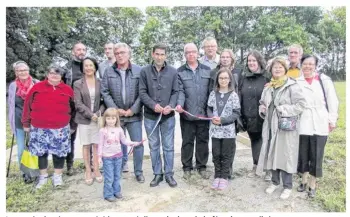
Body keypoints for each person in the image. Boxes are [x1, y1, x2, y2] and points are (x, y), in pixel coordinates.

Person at [256, 57, 306, 200]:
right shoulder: (269, 87)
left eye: (280, 67)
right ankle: (274, 181)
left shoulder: (292, 86)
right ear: (270, 70)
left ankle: (288, 186)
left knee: (285, 155)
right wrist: (263, 109)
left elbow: (301, 105)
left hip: (285, 127)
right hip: (270, 126)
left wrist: (283, 109)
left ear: (285, 69)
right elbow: (261, 102)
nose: (277, 69)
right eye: (274, 67)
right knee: (272, 153)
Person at [22, 66, 75, 189]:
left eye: (58, 74)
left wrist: (72, 125)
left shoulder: (68, 90)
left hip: (60, 127)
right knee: (41, 153)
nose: (54, 76)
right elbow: (27, 106)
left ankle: (57, 177)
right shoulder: (37, 87)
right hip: (39, 127)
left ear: (61, 76)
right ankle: (43, 177)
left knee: (59, 153)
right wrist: (26, 123)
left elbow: (74, 109)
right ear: (48, 74)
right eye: (52, 73)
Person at [296, 54, 339, 198]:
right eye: (305, 64)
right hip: (303, 121)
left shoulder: (323, 80)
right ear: (301, 65)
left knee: (316, 154)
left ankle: (312, 184)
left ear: (315, 66)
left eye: (311, 64)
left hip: (320, 120)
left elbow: (332, 100)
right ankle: (303, 180)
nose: (308, 66)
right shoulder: (297, 81)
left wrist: (332, 120)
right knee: (303, 153)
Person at [101, 42, 144, 182]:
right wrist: (115, 110)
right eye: (117, 53)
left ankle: (138, 172)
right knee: (117, 144)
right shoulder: (108, 71)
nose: (119, 55)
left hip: (134, 115)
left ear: (128, 54)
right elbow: (105, 92)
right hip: (116, 117)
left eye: (122, 53)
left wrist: (133, 109)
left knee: (137, 143)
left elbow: (142, 92)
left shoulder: (139, 70)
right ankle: (118, 171)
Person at [139, 43, 178, 187]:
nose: (159, 57)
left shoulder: (173, 72)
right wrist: (153, 105)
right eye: (157, 54)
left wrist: (171, 106)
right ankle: (157, 174)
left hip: (168, 117)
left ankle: (169, 174)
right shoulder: (144, 72)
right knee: (154, 146)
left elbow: (176, 92)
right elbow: (142, 92)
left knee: (168, 146)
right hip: (150, 116)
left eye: (162, 54)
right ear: (152, 54)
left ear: (166, 56)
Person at [176, 43, 211, 180]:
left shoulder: (207, 70)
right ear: (185, 55)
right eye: (188, 52)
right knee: (187, 141)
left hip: (203, 115)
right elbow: (180, 91)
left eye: (193, 52)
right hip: (187, 114)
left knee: (203, 141)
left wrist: (211, 111)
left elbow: (210, 92)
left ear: (198, 53)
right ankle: (187, 167)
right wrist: (179, 105)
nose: (191, 54)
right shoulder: (179, 71)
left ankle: (202, 166)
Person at [238, 50, 271, 180]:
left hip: (264, 116)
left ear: (259, 62)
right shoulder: (244, 77)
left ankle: (269, 169)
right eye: (249, 61)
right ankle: (256, 165)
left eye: (254, 60)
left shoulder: (267, 77)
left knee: (267, 142)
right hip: (249, 115)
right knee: (254, 141)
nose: (251, 63)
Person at [207, 68, 241, 190]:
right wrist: (212, 117)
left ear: (230, 80)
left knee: (226, 154)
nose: (223, 80)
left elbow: (236, 113)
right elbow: (209, 109)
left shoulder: (233, 95)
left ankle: (224, 177)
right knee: (216, 154)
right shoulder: (213, 94)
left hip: (228, 131)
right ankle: (217, 175)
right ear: (217, 79)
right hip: (215, 131)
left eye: (226, 78)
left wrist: (223, 120)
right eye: (221, 78)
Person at [74, 57, 105, 185]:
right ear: (83, 68)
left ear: (95, 67)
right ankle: (88, 170)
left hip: (98, 119)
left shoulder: (101, 82)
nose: (88, 68)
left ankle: (96, 169)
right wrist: (90, 114)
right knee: (86, 145)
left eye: (91, 65)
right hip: (84, 120)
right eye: (86, 66)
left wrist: (99, 113)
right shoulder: (77, 83)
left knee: (97, 145)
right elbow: (78, 103)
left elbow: (104, 101)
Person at [98, 108, 141, 202]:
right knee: (109, 177)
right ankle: (108, 194)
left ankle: (117, 191)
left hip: (118, 157)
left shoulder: (119, 129)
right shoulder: (102, 131)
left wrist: (134, 143)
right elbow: (100, 145)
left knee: (117, 175)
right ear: (105, 119)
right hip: (107, 158)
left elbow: (124, 141)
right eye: (108, 118)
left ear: (116, 119)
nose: (110, 120)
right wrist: (99, 157)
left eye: (113, 118)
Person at [8, 61, 39, 182]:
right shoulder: (12, 86)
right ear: (16, 72)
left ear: (29, 70)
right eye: (20, 70)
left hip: (35, 121)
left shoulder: (36, 83)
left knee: (34, 147)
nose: (23, 72)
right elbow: (11, 104)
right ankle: (25, 173)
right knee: (21, 148)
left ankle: (34, 170)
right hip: (18, 120)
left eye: (25, 70)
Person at [62, 42, 87, 176]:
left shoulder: (90, 66)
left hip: (87, 107)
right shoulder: (67, 68)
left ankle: (90, 164)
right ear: (73, 52)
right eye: (78, 49)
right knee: (70, 137)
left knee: (90, 136)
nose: (81, 52)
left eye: (83, 49)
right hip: (71, 109)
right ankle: (69, 165)